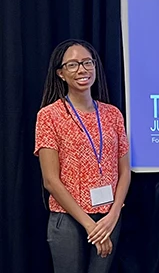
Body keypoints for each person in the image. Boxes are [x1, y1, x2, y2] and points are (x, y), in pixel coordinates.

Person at [34, 39, 131, 273]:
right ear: (61, 73)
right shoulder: (49, 116)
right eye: (73, 64)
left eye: (87, 62)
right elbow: (50, 180)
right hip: (69, 219)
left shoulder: (112, 114)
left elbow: (124, 170)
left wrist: (113, 214)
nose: (82, 69)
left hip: (108, 217)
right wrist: (90, 225)